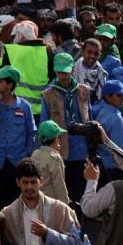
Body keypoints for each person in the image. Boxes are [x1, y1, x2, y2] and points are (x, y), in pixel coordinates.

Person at [40, 51, 92, 198]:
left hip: (81, 151)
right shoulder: (48, 95)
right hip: (60, 153)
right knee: (62, 193)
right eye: (59, 72)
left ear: (72, 70)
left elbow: (90, 118)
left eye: (66, 72)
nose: (63, 76)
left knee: (80, 193)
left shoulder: (83, 91)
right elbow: (44, 125)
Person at [0, 65, 34, 209]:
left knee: (14, 203)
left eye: (0, 81)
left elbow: (31, 132)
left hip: (16, 161)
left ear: (10, 85)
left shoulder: (24, 106)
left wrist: (27, 155)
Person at [0, 159, 79, 245]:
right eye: (25, 182)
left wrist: (48, 233)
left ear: (41, 181)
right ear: (18, 183)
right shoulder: (8, 214)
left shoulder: (60, 210)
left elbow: (77, 243)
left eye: (33, 182)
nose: (29, 187)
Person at [93, 80, 123, 180]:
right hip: (114, 168)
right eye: (119, 95)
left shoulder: (103, 112)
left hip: (104, 165)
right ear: (108, 97)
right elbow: (119, 149)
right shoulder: (115, 118)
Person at [30, 121, 68, 202]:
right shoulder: (55, 158)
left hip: (36, 202)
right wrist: (66, 206)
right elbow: (60, 186)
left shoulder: (35, 154)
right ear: (56, 139)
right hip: (52, 204)